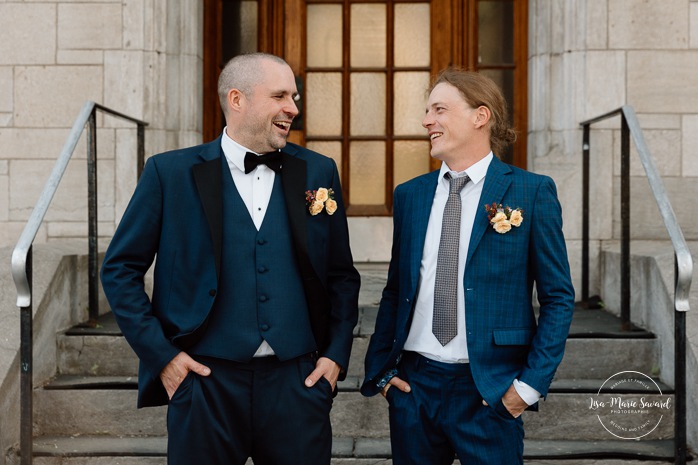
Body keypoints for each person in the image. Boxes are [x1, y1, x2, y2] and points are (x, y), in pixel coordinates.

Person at [100, 52, 360, 464]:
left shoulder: (318, 171)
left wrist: (334, 356)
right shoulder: (169, 174)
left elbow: (342, 275)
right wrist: (163, 358)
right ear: (237, 100)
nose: (293, 108)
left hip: (297, 383)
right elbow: (119, 270)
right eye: (279, 96)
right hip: (204, 383)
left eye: (293, 96)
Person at [361, 68, 575, 464]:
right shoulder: (410, 195)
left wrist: (527, 388)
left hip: (488, 389)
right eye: (427, 111)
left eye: (439, 109)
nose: (427, 120)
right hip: (414, 387)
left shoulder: (531, 191)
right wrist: (383, 374)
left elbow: (559, 298)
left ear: (481, 116)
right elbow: (396, 290)